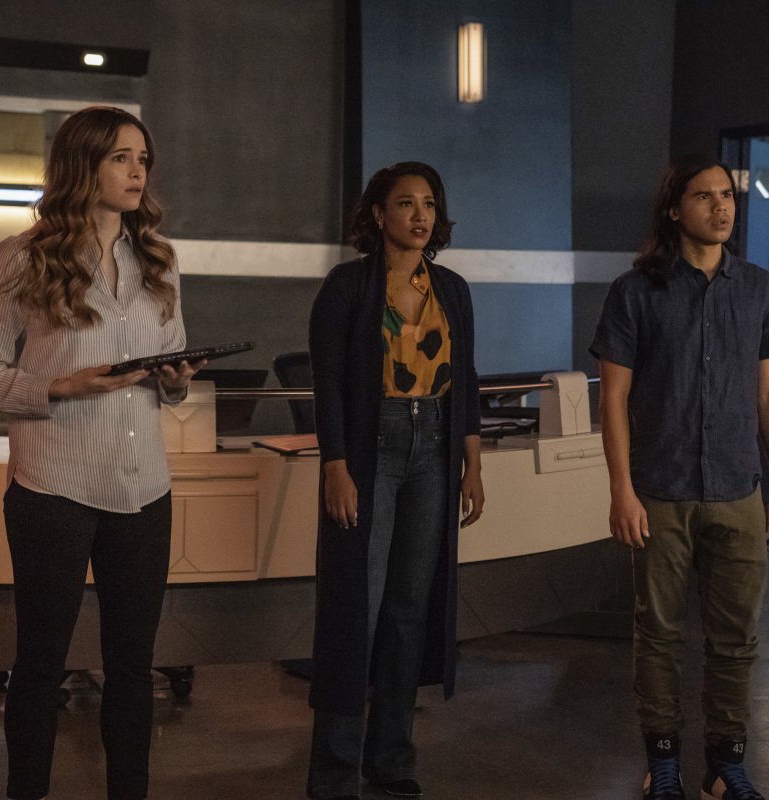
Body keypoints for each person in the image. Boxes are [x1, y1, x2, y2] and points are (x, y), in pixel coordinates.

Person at [0, 106, 202, 800]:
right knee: (40, 664)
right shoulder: (22, 256)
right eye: (121, 158)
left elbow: (170, 365)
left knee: (133, 667)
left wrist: (176, 379)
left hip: (143, 488)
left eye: (143, 160)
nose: (137, 172)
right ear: (82, 164)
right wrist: (57, 386)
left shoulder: (160, 257)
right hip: (53, 485)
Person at [589, 153, 769, 800]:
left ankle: (726, 766)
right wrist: (621, 489)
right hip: (661, 489)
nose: (721, 206)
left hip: (738, 487)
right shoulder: (635, 291)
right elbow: (613, 398)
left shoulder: (758, 288)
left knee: (736, 639)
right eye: (705, 196)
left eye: (727, 194)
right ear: (675, 209)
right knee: (658, 635)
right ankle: (664, 764)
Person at [306, 161, 485, 800]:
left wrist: (472, 463)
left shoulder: (452, 289)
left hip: (434, 445)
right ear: (379, 215)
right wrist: (335, 464)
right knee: (356, 605)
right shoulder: (349, 286)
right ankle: (333, 774)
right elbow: (327, 383)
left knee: (410, 608)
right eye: (406, 204)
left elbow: (465, 380)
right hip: (368, 448)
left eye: (429, 204)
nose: (420, 215)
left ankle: (391, 758)